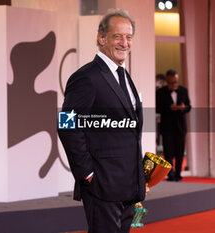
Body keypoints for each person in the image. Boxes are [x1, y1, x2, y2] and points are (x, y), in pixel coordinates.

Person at [58, 8, 146, 233]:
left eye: (128, 37)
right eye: (118, 36)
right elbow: (67, 124)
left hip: (127, 184)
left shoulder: (123, 74)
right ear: (102, 38)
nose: (124, 43)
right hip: (102, 184)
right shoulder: (86, 77)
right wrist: (87, 173)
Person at [156, 69, 191, 182]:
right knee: (168, 152)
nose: (173, 85)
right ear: (167, 81)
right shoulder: (160, 92)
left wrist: (182, 108)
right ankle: (170, 174)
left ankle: (178, 174)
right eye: (171, 83)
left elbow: (189, 106)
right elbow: (157, 108)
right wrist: (169, 108)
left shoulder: (183, 91)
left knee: (180, 152)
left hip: (180, 127)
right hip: (167, 127)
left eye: (175, 82)